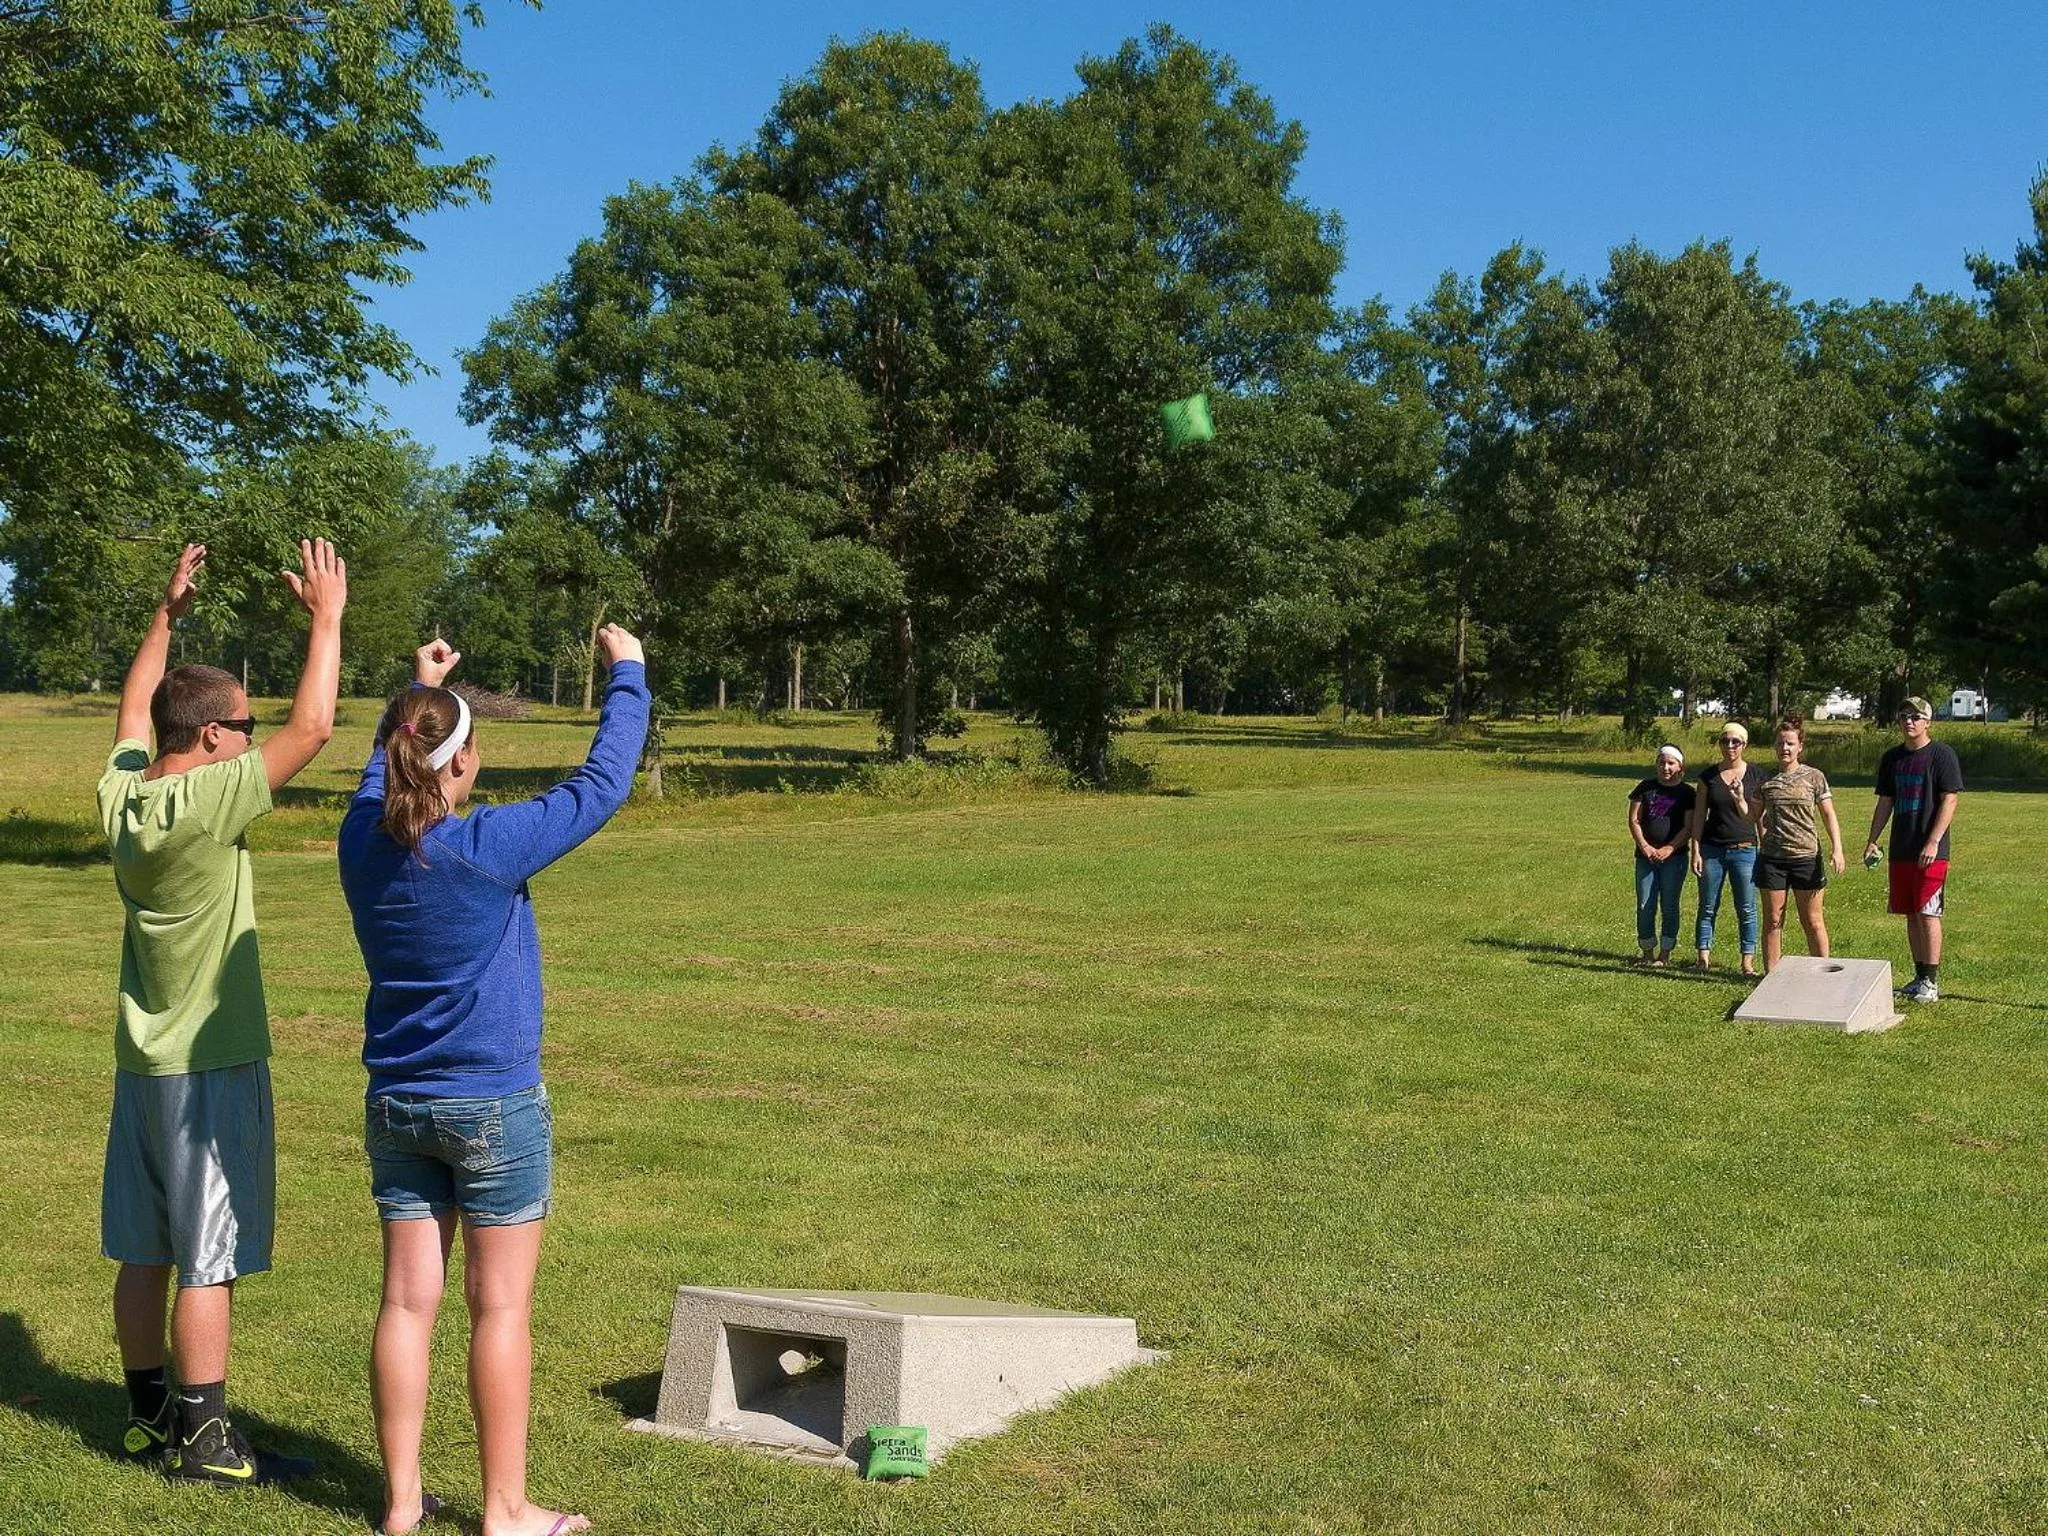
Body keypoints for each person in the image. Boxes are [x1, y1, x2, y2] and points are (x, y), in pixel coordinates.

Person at [339, 627, 650, 1536]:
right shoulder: (486, 847)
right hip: (493, 1107)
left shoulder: (361, 842)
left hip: (396, 1104)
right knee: (499, 1306)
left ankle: (401, 1505)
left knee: (405, 1302)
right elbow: (602, 785)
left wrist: (415, 688)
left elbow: (376, 777)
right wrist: (626, 672)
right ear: (462, 762)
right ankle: (505, 1510)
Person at [97, 539, 347, 1484]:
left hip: (142, 1060)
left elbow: (133, 709)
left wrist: (166, 615)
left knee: (144, 1245)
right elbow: (315, 727)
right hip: (212, 1060)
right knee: (210, 1253)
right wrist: (325, 617)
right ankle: (206, 1445)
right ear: (209, 738)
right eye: (243, 724)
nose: (254, 735)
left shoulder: (124, 795)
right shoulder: (208, 802)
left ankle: (147, 1417)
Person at [1865, 695, 1963, 1003]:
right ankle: (1919, 976)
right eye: (1904, 716)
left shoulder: (1941, 755)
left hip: (1930, 850)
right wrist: (1872, 839)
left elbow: (1950, 800)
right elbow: (1885, 802)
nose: (1909, 721)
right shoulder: (1892, 759)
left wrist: (1933, 841)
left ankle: (1931, 983)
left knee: (1928, 912)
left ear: (1927, 722)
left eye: (1915, 717)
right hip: (1901, 848)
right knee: (1910, 913)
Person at [1755, 716, 1846, 971]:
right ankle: (1770, 975)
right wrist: (1739, 797)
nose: (1785, 748)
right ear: (1775, 746)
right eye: (1781, 743)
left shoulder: (1814, 777)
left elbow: (1828, 814)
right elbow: (1752, 815)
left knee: (1812, 920)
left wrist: (1837, 849)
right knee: (1773, 919)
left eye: (1790, 744)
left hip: (1806, 857)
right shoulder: (1765, 780)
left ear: (1800, 747)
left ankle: (1823, 972)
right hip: (1772, 859)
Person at [1688, 720, 1766, 975]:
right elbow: (1699, 816)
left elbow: (1761, 817)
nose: (1730, 746)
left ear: (1744, 744)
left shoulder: (1757, 776)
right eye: (1725, 741)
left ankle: (1747, 962)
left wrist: (1765, 850)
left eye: (1736, 742)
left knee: (1746, 908)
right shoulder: (1708, 777)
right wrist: (1696, 850)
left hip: (1746, 850)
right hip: (1712, 850)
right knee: (1708, 906)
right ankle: (1702, 958)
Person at [1626, 744, 1695, 966]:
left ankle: (1665, 954)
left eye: (1670, 763)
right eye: (1661, 762)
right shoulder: (1645, 788)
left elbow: (1689, 827)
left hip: (1674, 859)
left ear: (1680, 767)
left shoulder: (1687, 793)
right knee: (1645, 904)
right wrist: (1645, 846)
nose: (1665, 767)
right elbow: (1634, 819)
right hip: (1645, 858)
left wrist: (1669, 848)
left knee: (1670, 905)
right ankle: (1647, 952)